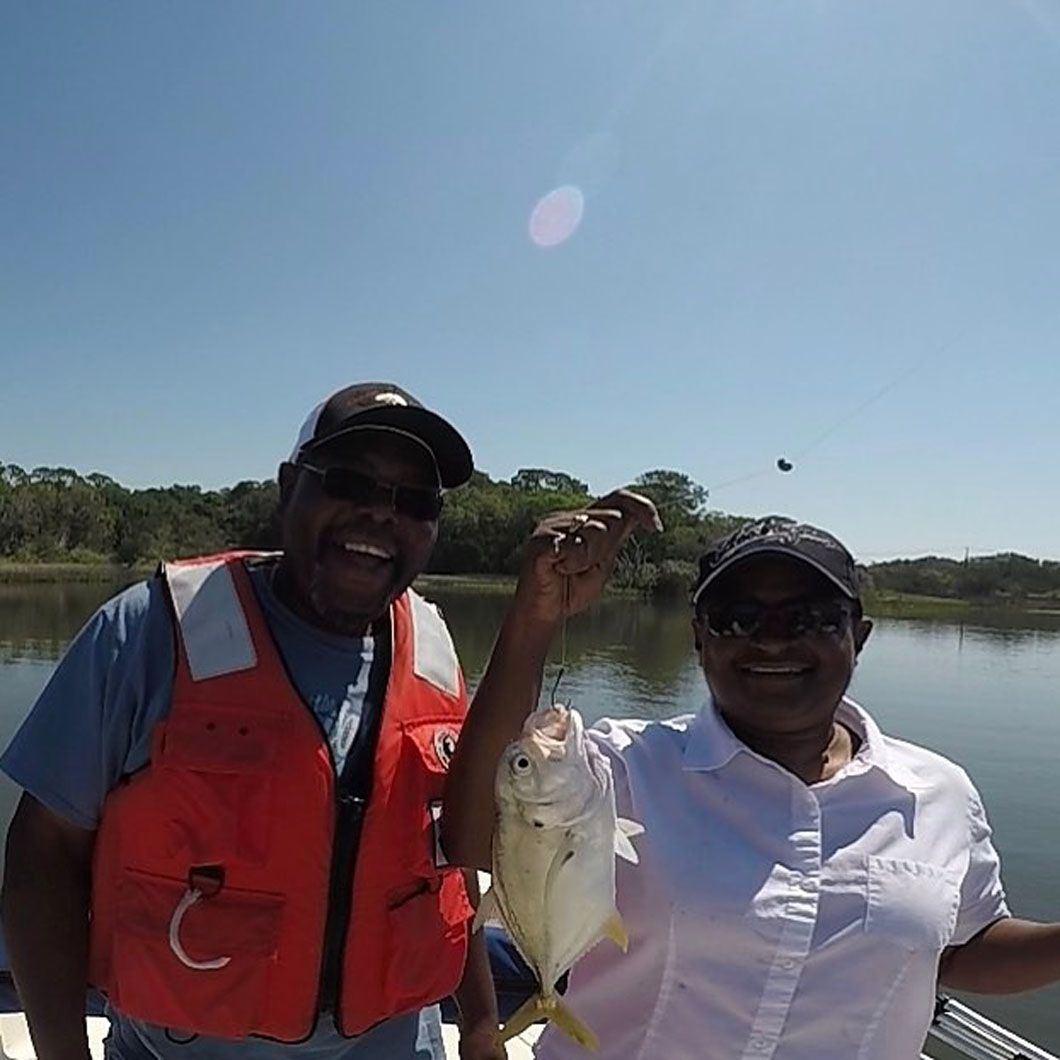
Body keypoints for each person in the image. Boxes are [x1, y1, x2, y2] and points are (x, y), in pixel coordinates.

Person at [442, 504, 1060, 1059]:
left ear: (859, 636)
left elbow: (960, 947)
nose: (771, 639)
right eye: (737, 618)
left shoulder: (938, 793)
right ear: (699, 641)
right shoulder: (624, 767)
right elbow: (473, 836)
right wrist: (535, 616)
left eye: (811, 617)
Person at [0, 383, 503, 1060]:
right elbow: (43, 856)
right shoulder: (148, 631)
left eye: (415, 500)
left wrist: (477, 1023)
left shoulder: (436, 654)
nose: (380, 515)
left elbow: (446, 863)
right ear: (289, 486)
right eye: (351, 481)